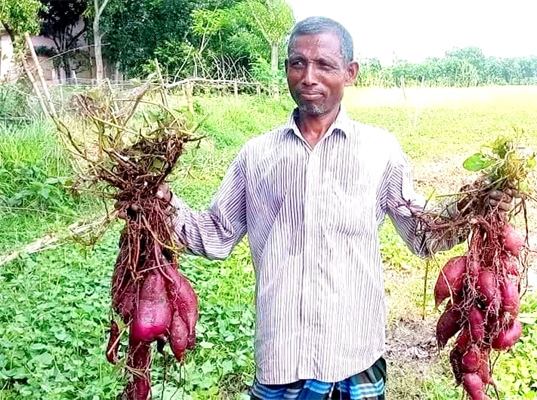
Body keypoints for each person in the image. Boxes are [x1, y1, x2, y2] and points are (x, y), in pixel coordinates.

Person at [151, 16, 514, 400]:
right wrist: (161, 205)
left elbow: (423, 234)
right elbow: (215, 234)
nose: (308, 76)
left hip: (355, 353)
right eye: (297, 63)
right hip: (282, 355)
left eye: (324, 65)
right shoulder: (256, 155)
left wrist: (473, 205)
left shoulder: (379, 151)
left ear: (350, 72)